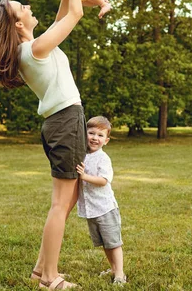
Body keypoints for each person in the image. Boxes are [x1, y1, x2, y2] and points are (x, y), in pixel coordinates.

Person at [0, 0, 83, 290]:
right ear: (16, 24)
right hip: (64, 122)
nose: (27, 5)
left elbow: (62, 15)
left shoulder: (34, 47)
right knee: (60, 203)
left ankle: (41, 269)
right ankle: (50, 278)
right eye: (21, 7)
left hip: (63, 121)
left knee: (68, 199)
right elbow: (75, 15)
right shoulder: (35, 49)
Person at [76, 116, 127, 285]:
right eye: (91, 133)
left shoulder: (102, 158)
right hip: (91, 209)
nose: (94, 138)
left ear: (106, 140)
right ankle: (112, 268)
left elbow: (104, 180)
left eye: (100, 135)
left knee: (113, 242)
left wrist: (84, 176)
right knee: (105, 243)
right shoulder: (83, 154)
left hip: (105, 208)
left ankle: (119, 274)